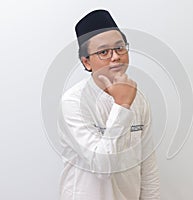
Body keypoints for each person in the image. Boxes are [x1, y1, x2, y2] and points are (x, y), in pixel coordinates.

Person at [58, 9, 160, 200]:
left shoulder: (140, 100)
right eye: (104, 52)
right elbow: (102, 167)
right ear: (87, 62)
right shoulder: (73, 102)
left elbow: (148, 168)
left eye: (120, 48)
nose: (115, 57)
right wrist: (122, 105)